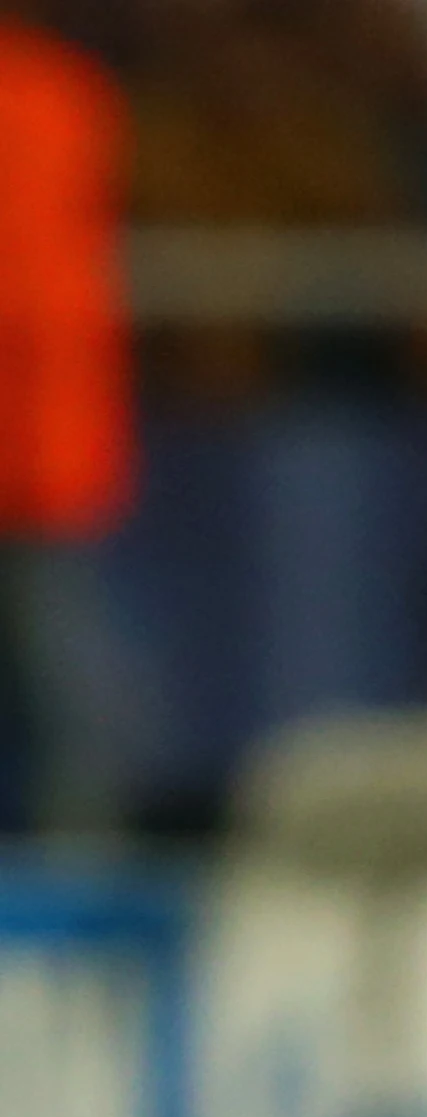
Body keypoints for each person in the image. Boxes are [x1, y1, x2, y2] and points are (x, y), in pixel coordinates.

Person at [0, 0, 135, 832]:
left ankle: (81, 909)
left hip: (40, 460)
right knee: (71, 700)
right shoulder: (69, 94)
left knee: (69, 699)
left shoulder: (61, 96)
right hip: (48, 454)